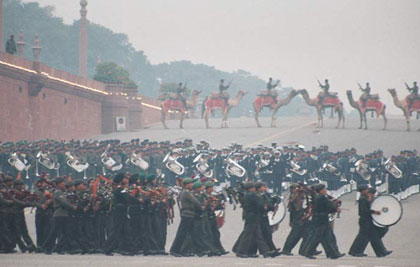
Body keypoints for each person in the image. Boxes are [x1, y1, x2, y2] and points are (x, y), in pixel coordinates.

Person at [348, 185, 392, 257]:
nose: (367, 191)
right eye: (366, 190)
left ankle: (381, 252)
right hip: (365, 220)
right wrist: (374, 212)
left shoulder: (364, 198)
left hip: (367, 220)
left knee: (372, 236)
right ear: (363, 191)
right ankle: (356, 251)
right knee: (363, 237)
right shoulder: (363, 199)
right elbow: (364, 211)